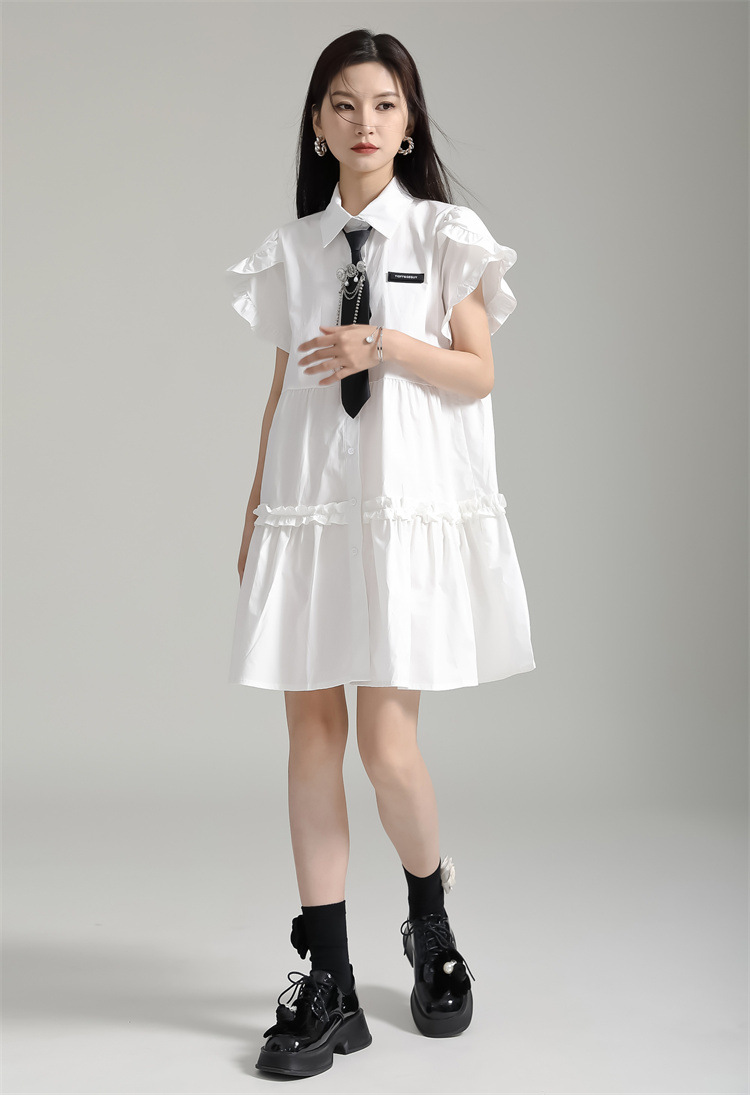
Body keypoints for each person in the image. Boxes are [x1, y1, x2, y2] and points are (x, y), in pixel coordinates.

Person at [225, 28, 536, 1079]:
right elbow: (284, 389)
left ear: (409, 125)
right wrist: (257, 508)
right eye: (345, 104)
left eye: (385, 105)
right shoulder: (293, 249)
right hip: (309, 507)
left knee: (385, 744)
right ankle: (329, 980)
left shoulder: (445, 234)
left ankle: (429, 915)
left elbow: (477, 372)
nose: (365, 122)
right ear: (318, 125)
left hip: (398, 507)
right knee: (310, 736)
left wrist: (385, 345)